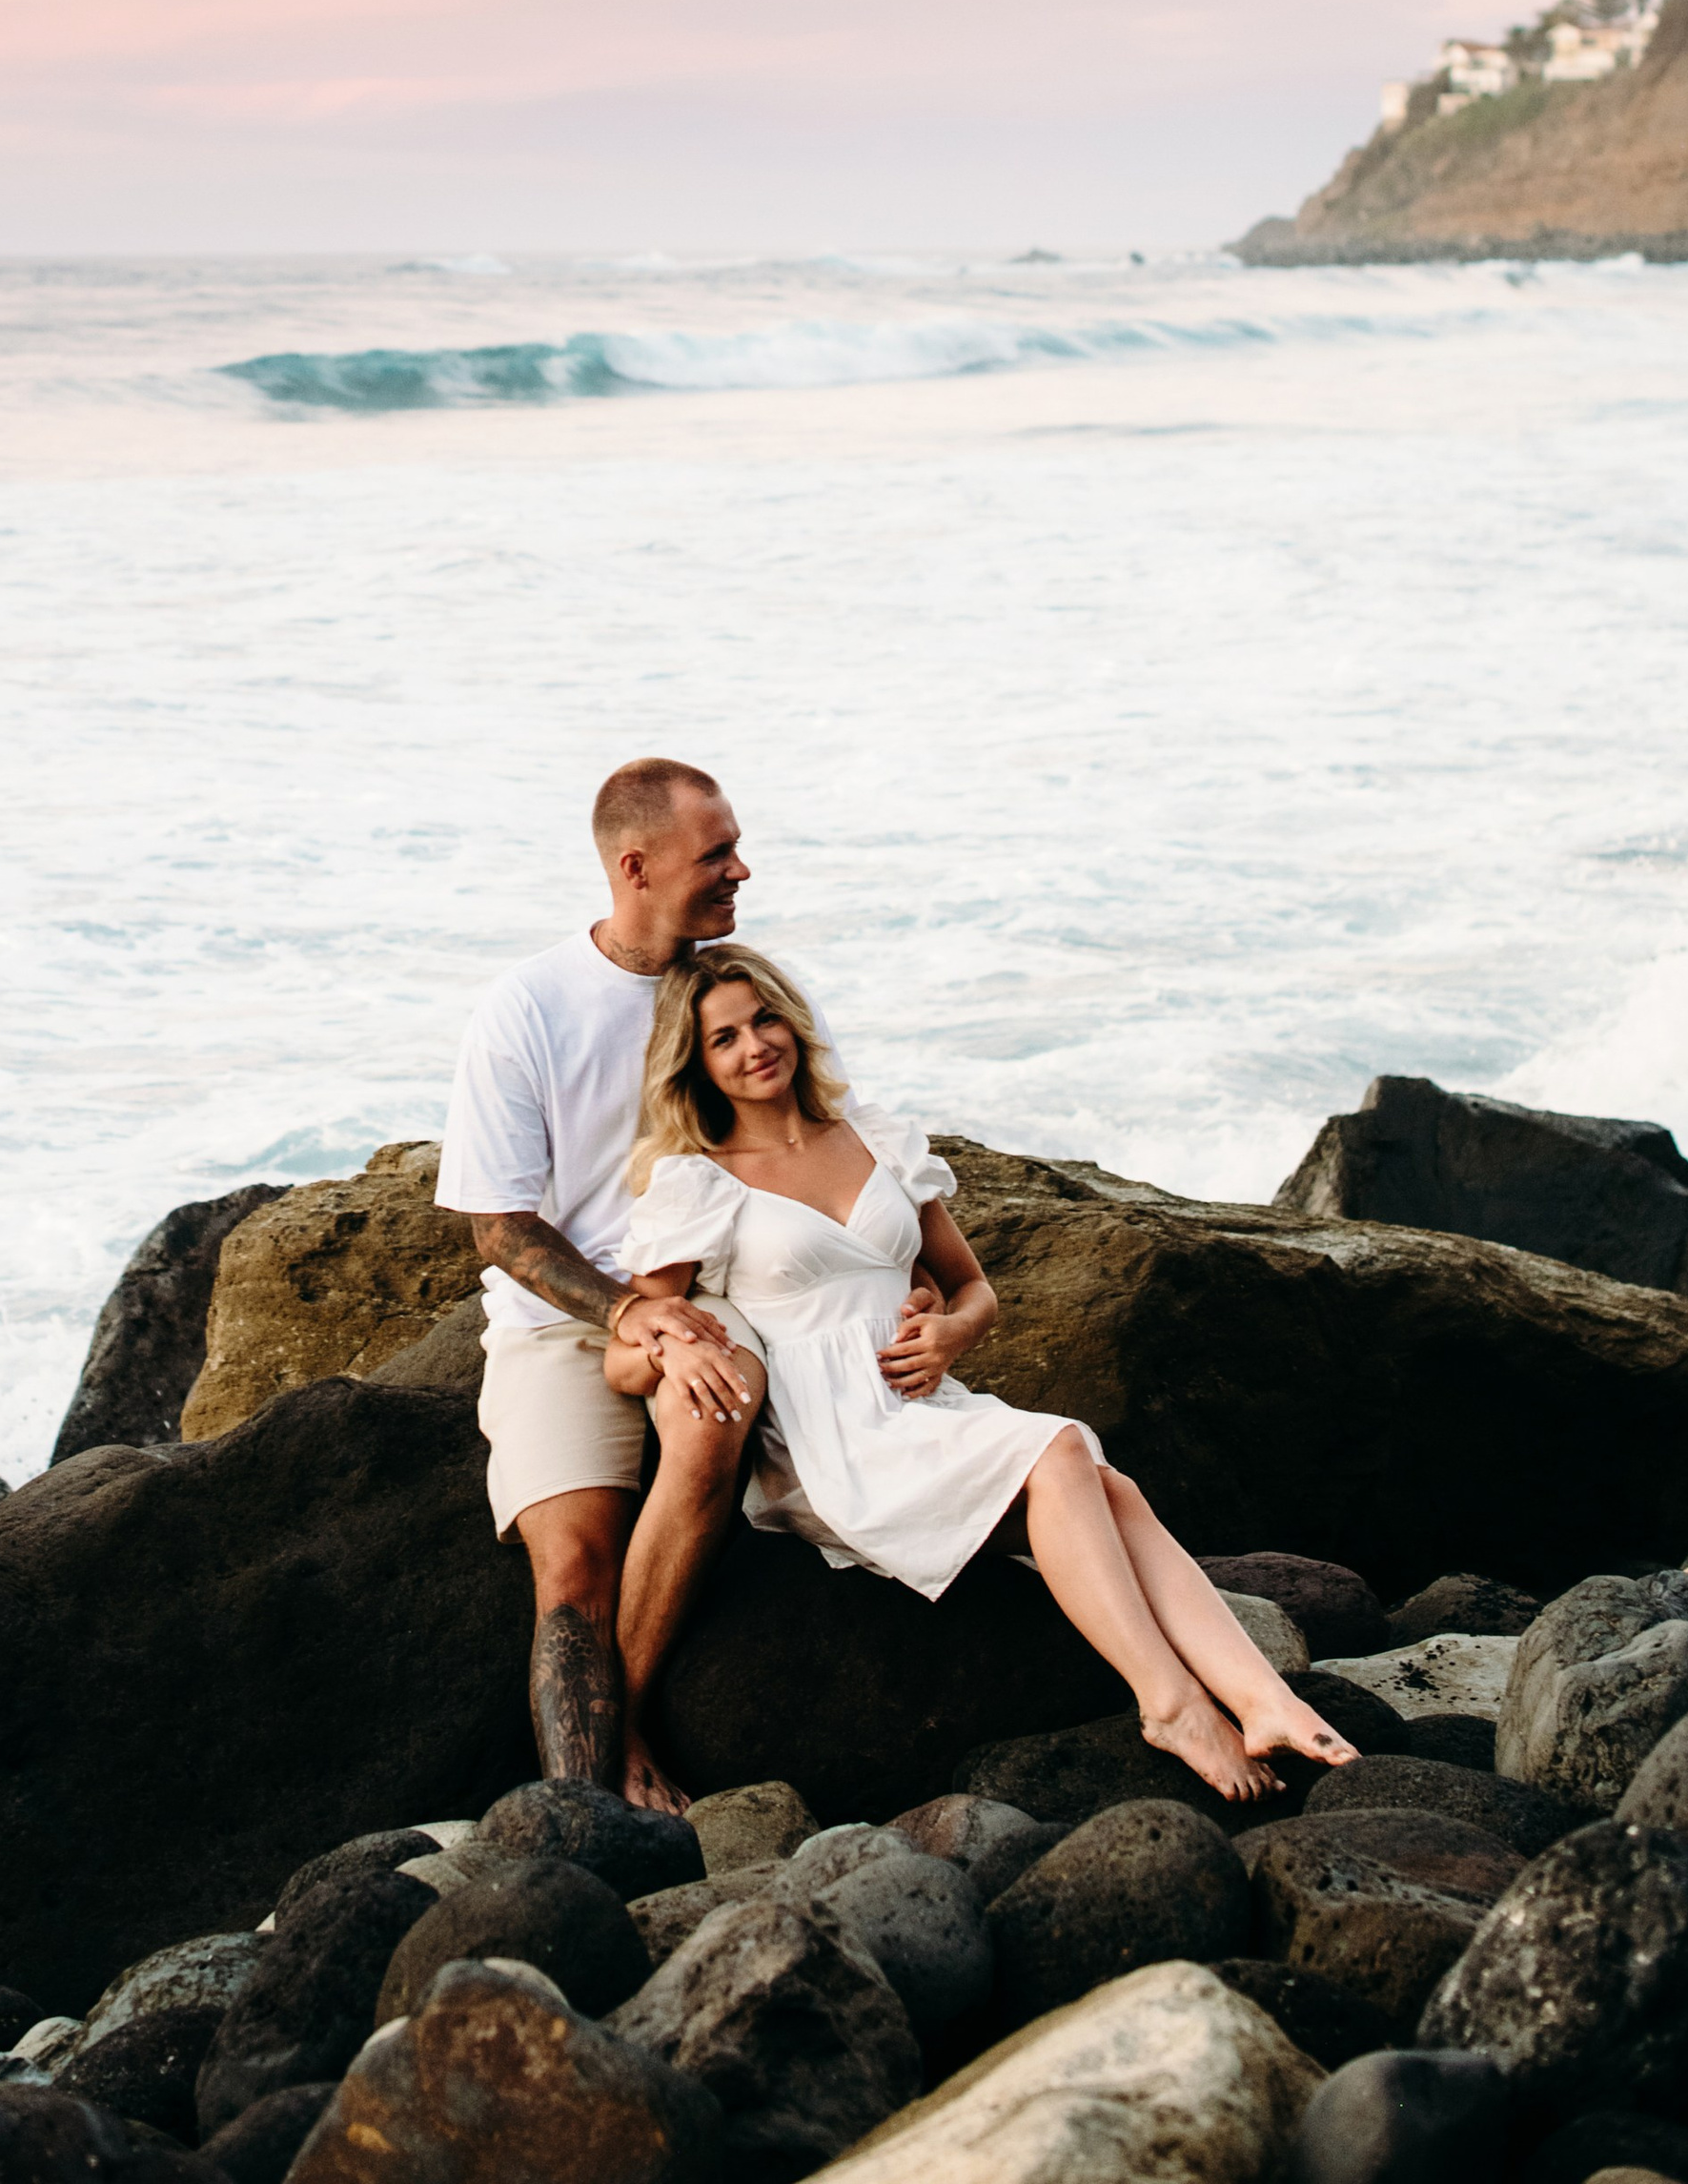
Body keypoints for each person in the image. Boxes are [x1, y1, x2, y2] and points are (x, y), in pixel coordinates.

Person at [605, 947, 1358, 1803]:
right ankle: (1172, 1702)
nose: (754, 1047)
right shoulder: (700, 1184)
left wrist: (950, 1337)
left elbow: (973, 1289)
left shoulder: (873, 1138)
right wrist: (677, 1346)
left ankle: (1264, 1698)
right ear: (695, 1064)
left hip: (924, 1404)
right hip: (834, 1438)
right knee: (1066, 1456)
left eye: (764, 1018)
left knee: (1110, 1489)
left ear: (793, 1021)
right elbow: (629, 1352)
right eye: (724, 1038)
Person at [437, 760, 833, 1814]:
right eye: (717, 854)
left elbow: (814, 1140)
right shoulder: (527, 1007)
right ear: (635, 865)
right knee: (569, 1568)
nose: (741, 869)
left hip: (722, 1295)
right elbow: (498, 1222)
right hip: (568, 1324)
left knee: (712, 1412)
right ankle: (582, 1812)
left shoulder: (728, 996)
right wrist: (625, 1307)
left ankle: (623, 1731)